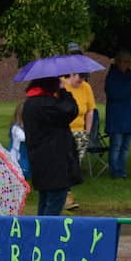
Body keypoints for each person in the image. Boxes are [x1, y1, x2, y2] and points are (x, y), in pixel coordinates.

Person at [21, 76, 81, 215]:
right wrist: (64, 91)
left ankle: (40, 233)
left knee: (44, 201)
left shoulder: (30, 103)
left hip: (39, 159)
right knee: (53, 205)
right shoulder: (46, 104)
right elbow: (71, 110)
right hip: (55, 162)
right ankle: (46, 234)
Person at [104, 48, 131, 178]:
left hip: (129, 116)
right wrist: (129, 88)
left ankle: (122, 171)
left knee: (125, 148)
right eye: (121, 61)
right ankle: (115, 171)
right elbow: (114, 94)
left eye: (127, 62)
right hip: (116, 117)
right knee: (116, 146)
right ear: (117, 62)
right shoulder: (112, 76)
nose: (124, 64)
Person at [63, 71, 96, 210]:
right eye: (79, 76)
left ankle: (65, 194)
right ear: (71, 73)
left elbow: (90, 110)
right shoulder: (61, 85)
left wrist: (87, 132)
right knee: (64, 164)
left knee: (74, 166)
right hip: (64, 132)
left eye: (84, 77)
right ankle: (66, 197)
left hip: (80, 132)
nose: (81, 80)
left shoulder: (86, 87)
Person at [8, 102, 31, 179]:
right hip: (17, 154)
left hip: (25, 153)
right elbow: (23, 137)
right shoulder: (16, 128)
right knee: (21, 170)